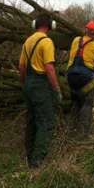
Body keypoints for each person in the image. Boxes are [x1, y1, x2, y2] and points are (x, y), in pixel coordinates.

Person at [18, 14, 62, 168]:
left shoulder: (27, 41)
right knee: (46, 122)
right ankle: (37, 161)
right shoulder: (47, 41)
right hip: (40, 85)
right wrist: (56, 89)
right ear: (50, 26)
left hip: (28, 83)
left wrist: (25, 84)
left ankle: (29, 156)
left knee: (32, 121)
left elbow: (22, 67)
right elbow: (49, 68)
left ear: (35, 25)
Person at [66, 20, 94, 135]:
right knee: (87, 103)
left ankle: (70, 130)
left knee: (76, 102)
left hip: (71, 76)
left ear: (86, 29)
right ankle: (84, 133)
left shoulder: (76, 40)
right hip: (85, 78)